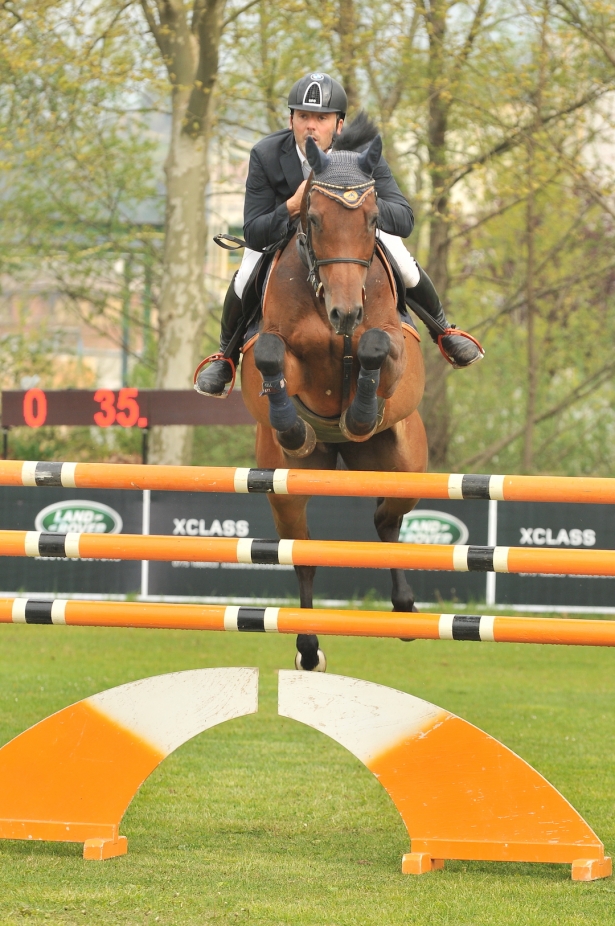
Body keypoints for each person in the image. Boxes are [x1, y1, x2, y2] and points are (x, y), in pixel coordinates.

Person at [197, 71, 482, 396]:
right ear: (291, 120)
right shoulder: (266, 154)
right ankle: (226, 356)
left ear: (339, 125)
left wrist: (364, 205)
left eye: (321, 118)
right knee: (245, 273)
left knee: (401, 261)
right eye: (303, 116)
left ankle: (444, 331)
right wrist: (291, 206)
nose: (311, 126)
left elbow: (404, 219)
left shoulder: (363, 155)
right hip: (282, 236)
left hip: (352, 235)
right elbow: (254, 230)